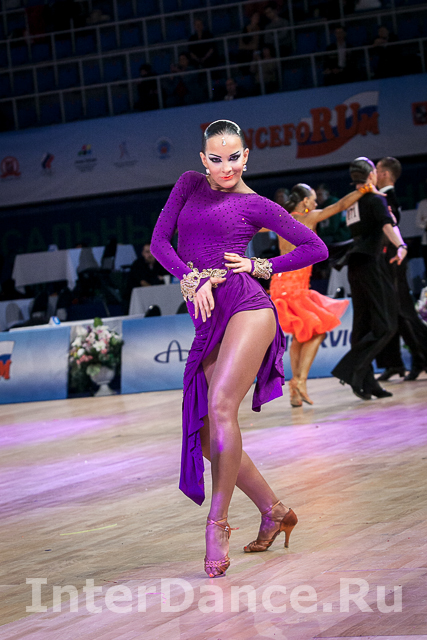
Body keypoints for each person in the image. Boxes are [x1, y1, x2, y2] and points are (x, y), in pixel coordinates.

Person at [150, 120, 327, 578]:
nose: (225, 166)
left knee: (221, 406)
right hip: (206, 316)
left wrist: (260, 265)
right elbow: (159, 242)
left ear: (246, 157)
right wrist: (190, 277)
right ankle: (274, 511)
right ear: (203, 159)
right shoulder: (189, 185)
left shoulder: (256, 204)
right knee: (206, 434)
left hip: (248, 306)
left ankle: (217, 524)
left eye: (233, 157)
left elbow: (316, 247)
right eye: (216, 158)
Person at [268, 183, 368, 407]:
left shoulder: (280, 219)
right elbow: (340, 206)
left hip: (283, 284)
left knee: (300, 336)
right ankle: (300, 381)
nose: (316, 202)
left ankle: (295, 391)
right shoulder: (308, 217)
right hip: (294, 286)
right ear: (305, 201)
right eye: (313, 199)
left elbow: (253, 227)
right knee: (318, 331)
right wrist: (362, 190)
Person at [331, 157, 408, 400]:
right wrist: (401, 246)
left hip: (355, 265)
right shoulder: (375, 199)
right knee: (386, 324)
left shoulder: (353, 202)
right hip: (371, 264)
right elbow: (387, 226)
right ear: (372, 174)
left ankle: (367, 382)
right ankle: (352, 369)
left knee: (363, 325)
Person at [375, 158, 427, 381]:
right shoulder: (381, 197)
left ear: (385, 174)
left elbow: (390, 226)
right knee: (390, 312)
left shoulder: (387, 198)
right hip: (385, 259)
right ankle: (393, 363)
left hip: (393, 258)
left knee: (404, 311)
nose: (374, 173)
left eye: (377, 170)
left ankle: (421, 359)